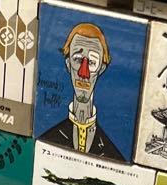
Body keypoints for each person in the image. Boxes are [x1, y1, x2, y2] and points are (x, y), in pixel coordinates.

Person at [38, 22, 122, 160]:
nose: (84, 73)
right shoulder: (47, 139)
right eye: (77, 59)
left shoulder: (112, 152)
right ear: (68, 64)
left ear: (101, 69)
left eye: (92, 62)